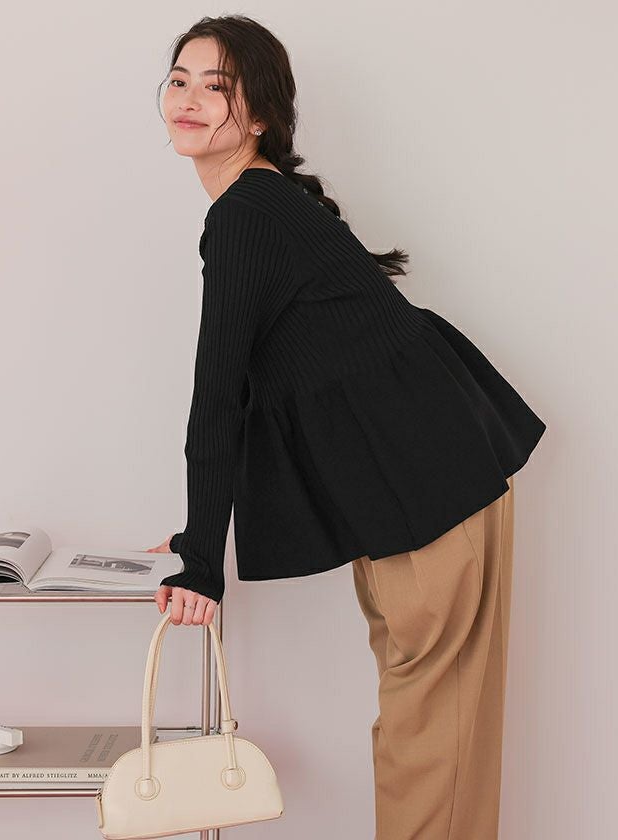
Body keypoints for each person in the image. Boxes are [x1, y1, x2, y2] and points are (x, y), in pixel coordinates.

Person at [145, 14, 546, 840]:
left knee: (431, 742)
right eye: (179, 80)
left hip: (429, 492)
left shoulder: (250, 212)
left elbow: (217, 395)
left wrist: (202, 564)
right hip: (414, 490)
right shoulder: (264, 204)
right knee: (431, 737)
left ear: (261, 115)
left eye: (217, 86)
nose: (189, 98)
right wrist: (197, 539)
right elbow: (256, 390)